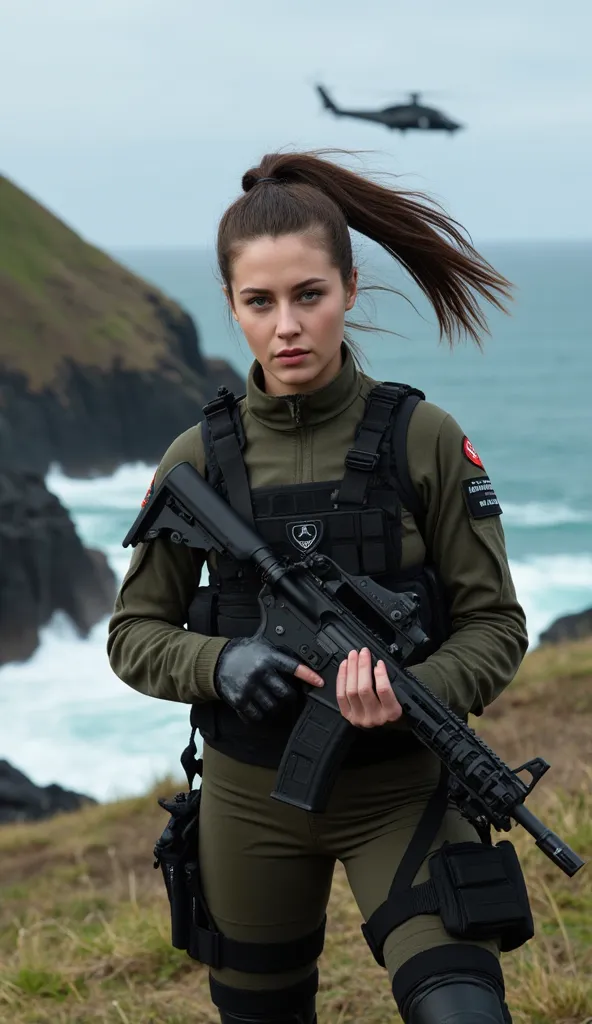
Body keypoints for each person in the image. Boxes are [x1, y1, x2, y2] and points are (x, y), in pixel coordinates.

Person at [107, 151, 530, 1024]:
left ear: (350, 287)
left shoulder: (426, 440)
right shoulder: (195, 462)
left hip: (403, 794)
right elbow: (133, 633)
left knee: (465, 1014)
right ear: (231, 306)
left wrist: (416, 698)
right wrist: (221, 665)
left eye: (310, 295)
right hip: (248, 804)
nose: (287, 326)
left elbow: (494, 624)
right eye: (260, 303)